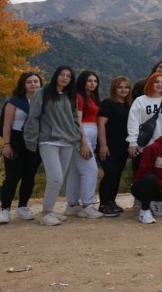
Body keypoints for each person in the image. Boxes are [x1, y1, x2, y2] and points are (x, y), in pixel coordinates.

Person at [24, 66, 84, 226]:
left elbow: (75, 118)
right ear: (56, 76)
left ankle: (50, 211)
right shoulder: (42, 93)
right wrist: (30, 140)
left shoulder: (71, 95)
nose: (64, 78)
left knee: (59, 178)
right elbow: (33, 117)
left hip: (67, 141)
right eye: (62, 75)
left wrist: (76, 136)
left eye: (68, 76)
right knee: (56, 177)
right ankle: (46, 214)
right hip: (48, 140)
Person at [126, 72, 162, 215]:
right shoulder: (140, 101)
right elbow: (133, 122)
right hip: (144, 146)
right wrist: (132, 141)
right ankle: (141, 201)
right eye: (156, 81)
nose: (159, 84)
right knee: (143, 175)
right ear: (150, 83)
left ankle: (157, 201)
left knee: (161, 175)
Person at [0, 72, 43, 224]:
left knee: (29, 177)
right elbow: (6, 125)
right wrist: (7, 145)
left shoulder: (43, 102)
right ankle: (5, 209)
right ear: (23, 84)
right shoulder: (14, 102)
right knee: (12, 177)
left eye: (36, 81)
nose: (33, 84)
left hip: (35, 142)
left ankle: (23, 207)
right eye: (29, 82)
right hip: (16, 140)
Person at [64, 70, 104, 219]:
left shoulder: (90, 97)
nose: (93, 83)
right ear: (82, 81)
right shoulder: (79, 97)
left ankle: (72, 205)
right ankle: (87, 205)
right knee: (91, 170)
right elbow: (77, 121)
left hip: (89, 135)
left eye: (95, 81)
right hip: (82, 135)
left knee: (75, 171)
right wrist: (84, 142)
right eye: (89, 81)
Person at [97, 76, 132, 216]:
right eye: (120, 87)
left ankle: (111, 201)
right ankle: (103, 204)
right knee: (110, 173)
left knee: (117, 174)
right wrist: (103, 145)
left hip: (122, 146)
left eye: (126, 87)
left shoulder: (129, 105)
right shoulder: (107, 103)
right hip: (108, 145)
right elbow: (101, 124)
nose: (123, 90)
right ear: (114, 88)